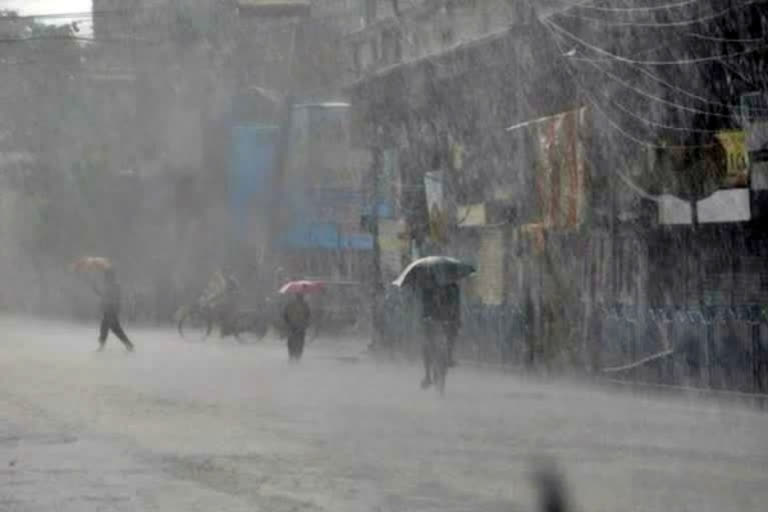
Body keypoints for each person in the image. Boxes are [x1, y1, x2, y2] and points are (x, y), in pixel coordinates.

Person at [419, 281, 462, 389]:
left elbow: (456, 306)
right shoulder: (428, 286)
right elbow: (425, 306)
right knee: (427, 342)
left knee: (451, 335)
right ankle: (427, 374)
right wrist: (426, 318)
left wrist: (456, 319)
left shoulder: (453, 287)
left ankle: (449, 356)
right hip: (432, 318)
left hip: (447, 319)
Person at [95, 268, 134, 352]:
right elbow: (104, 296)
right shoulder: (110, 286)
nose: (105, 278)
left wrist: (106, 299)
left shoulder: (114, 286)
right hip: (109, 309)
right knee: (115, 329)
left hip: (111, 310)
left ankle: (102, 345)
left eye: (106, 276)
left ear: (110, 277)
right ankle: (128, 344)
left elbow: (111, 297)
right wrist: (97, 290)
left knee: (105, 327)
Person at [282, 293, 311, 361]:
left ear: (296, 297)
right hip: (301, 327)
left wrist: (288, 322)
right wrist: (304, 323)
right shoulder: (305, 305)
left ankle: (291, 355)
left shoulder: (290, 305)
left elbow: (285, 314)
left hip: (292, 326)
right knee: (300, 342)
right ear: (302, 297)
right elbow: (308, 315)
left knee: (291, 341)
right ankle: (298, 356)